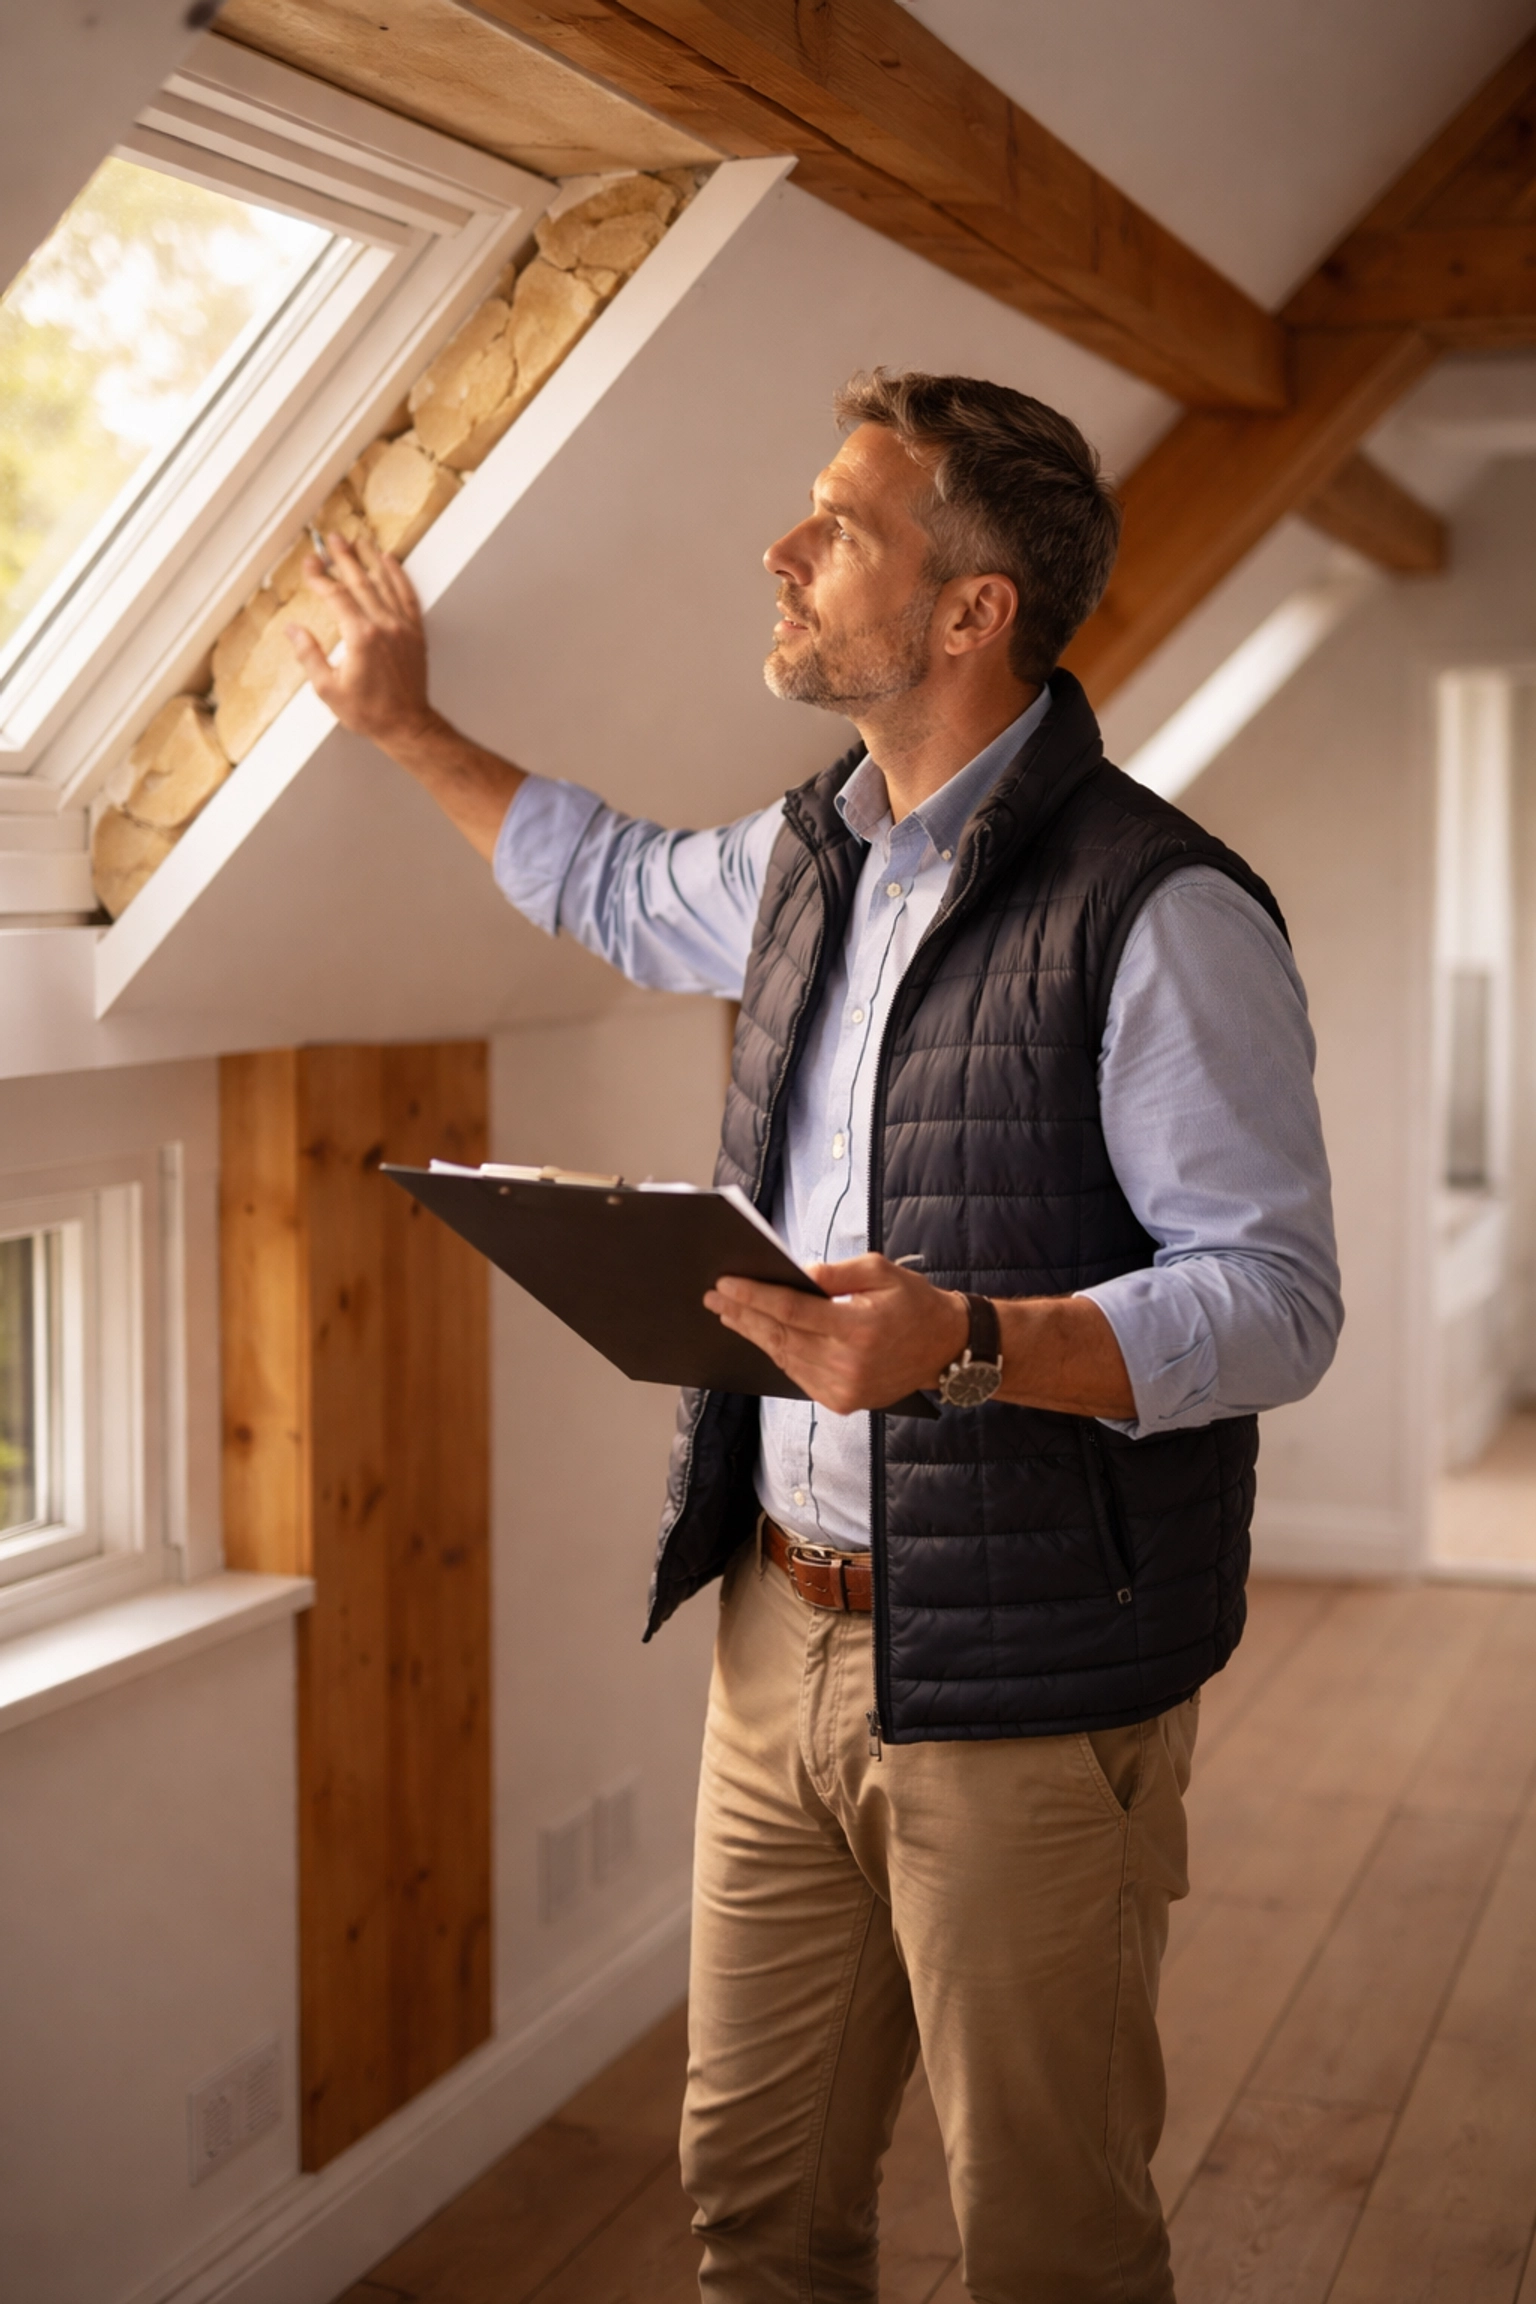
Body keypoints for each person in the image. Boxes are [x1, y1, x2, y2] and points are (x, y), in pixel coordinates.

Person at [288, 369, 1342, 2304]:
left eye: (839, 525)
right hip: (776, 1645)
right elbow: (608, 883)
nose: (780, 551)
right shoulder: (804, 862)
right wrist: (401, 725)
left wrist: (970, 1347)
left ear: (969, 611)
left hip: (1036, 1689)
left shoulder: (1164, 913)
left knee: (1049, 2241)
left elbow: (1276, 1305)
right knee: (753, 2209)